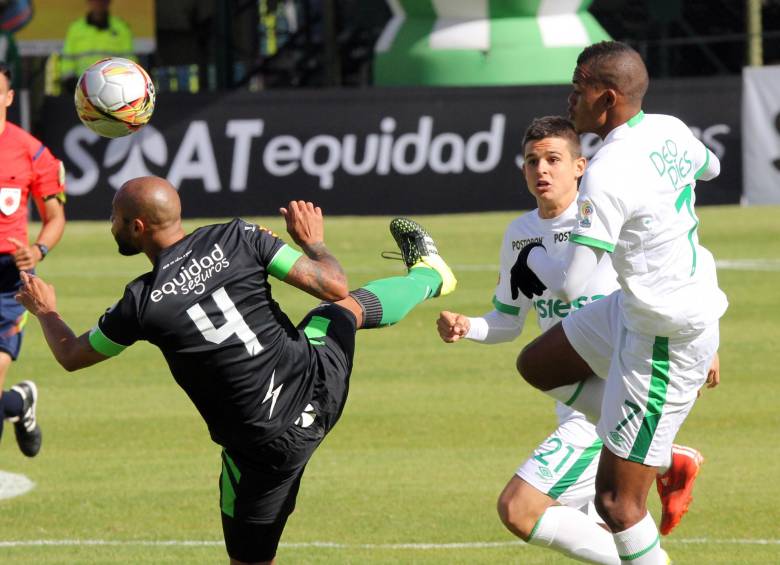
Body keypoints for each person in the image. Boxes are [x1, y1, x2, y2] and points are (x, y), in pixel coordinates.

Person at [16, 175, 457, 564]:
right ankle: (430, 276)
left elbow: (72, 356)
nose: (111, 224)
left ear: (137, 227)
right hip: (319, 383)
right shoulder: (239, 236)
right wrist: (313, 241)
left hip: (264, 448)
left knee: (248, 560)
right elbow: (333, 284)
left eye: (114, 217)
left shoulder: (142, 303)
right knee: (341, 311)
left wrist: (46, 311)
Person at [437, 116, 715, 564]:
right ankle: (666, 458)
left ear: (580, 166)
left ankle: (663, 461)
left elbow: (683, 261)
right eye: (532, 161)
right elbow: (508, 322)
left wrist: (703, 338)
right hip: (574, 396)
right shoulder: (520, 234)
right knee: (606, 520)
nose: (542, 170)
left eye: (553, 159)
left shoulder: (607, 211)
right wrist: (468, 326)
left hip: (610, 395)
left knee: (520, 508)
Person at [511, 42, 726, 564]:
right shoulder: (669, 129)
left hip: (663, 333)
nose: (570, 97)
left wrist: (534, 265)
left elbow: (571, 282)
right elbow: (712, 168)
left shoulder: (606, 173)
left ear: (605, 98)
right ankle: (659, 449)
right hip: (634, 308)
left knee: (617, 503)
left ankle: (652, 450)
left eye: (579, 87)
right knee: (537, 363)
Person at [0, 61, 66, 458]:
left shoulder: (32, 152)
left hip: (8, 283)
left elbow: (55, 217)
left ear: (8, 97)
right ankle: (18, 403)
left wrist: (38, 248)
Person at [60, 0, 135, 92]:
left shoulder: (121, 28)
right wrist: (70, 81)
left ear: (108, 2)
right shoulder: (76, 28)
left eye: (102, 0)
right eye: (95, 0)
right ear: (88, 2)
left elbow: (129, 61)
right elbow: (67, 60)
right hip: (82, 86)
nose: (98, 3)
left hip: (113, 87)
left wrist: (122, 81)